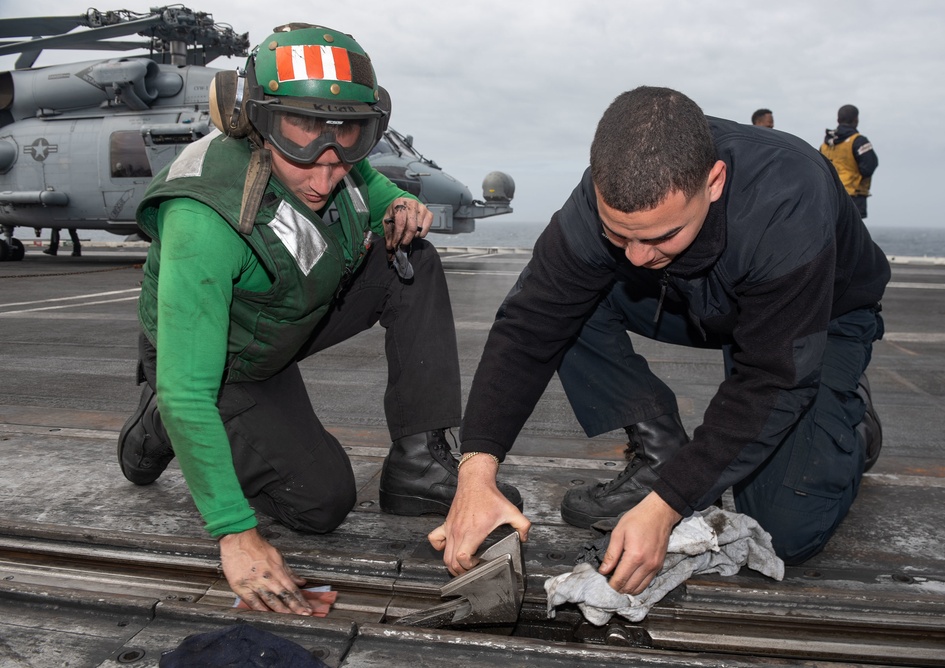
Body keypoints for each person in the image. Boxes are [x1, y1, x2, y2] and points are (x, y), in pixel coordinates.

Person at [116, 23, 520, 616]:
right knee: (321, 504)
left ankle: (418, 461)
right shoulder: (202, 220)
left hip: (280, 320)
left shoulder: (334, 161)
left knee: (411, 257)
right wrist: (235, 533)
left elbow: (373, 189)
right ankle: (153, 425)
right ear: (254, 119)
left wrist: (401, 205)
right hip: (221, 364)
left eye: (347, 136)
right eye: (303, 134)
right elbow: (189, 390)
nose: (326, 172)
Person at [431, 87, 888, 598]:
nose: (635, 257)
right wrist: (477, 469)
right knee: (568, 302)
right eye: (618, 234)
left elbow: (774, 378)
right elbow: (530, 322)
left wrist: (669, 504)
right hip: (688, 298)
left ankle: (852, 417)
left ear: (713, 182)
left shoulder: (787, 197)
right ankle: (660, 450)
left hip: (816, 320)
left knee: (787, 532)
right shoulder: (609, 197)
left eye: (659, 235)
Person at [819, 104, 878, 218]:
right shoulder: (859, 141)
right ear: (856, 119)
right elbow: (869, 167)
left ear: (838, 120)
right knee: (851, 234)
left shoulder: (825, 144)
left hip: (829, 196)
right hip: (852, 196)